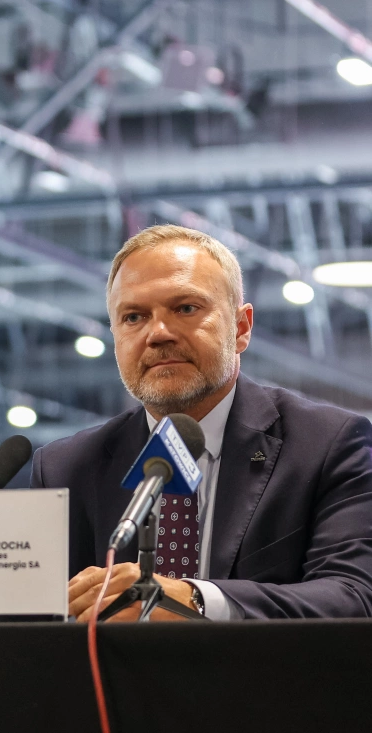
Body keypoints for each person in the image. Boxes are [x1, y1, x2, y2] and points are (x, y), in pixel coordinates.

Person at [33, 224, 372, 620]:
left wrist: (194, 600)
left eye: (185, 309)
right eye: (134, 317)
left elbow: (354, 597)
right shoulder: (65, 468)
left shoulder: (328, 446)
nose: (158, 334)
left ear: (241, 328)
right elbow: (37, 621)